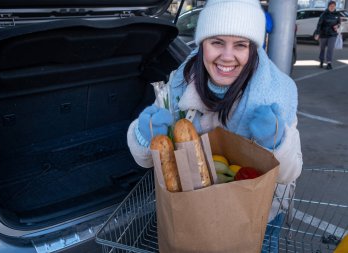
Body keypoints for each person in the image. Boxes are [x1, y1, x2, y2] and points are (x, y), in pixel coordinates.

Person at [127, 0, 303, 252]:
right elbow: (146, 160)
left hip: (255, 216)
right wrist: (143, 138)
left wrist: (276, 142)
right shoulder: (180, 83)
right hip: (192, 212)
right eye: (217, 42)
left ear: (252, 49)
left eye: (240, 45)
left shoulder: (276, 94)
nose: (227, 56)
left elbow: (290, 172)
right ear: (202, 44)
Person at [314, 1, 341, 69]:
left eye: (333, 6)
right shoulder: (323, 14)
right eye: (331, 6)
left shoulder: (337, 14)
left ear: (335, 7)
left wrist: (337, 26)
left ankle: (329, 63)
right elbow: (319, 25)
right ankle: (321, 61)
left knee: (330, 49)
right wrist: (317, 33)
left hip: (332, 34)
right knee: (322, 49)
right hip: (323, 34)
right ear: (328, 6)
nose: (332, 7)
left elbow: (339, 23)